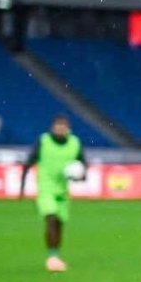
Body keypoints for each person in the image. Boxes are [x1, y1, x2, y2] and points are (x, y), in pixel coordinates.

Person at [20, 114, 87, 273]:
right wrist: (21, 187)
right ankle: (51, 258)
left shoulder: (75, 143)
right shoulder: (44, 141)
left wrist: (78, 176)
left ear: (67, 128)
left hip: (63, 191)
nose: (60, 129)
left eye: (63, 126)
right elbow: (29, 162)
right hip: (46, 188)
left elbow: (83, 168)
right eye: (57, 126)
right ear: (52, 127)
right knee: (50, 217)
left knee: (59, 223)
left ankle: (55, 255)